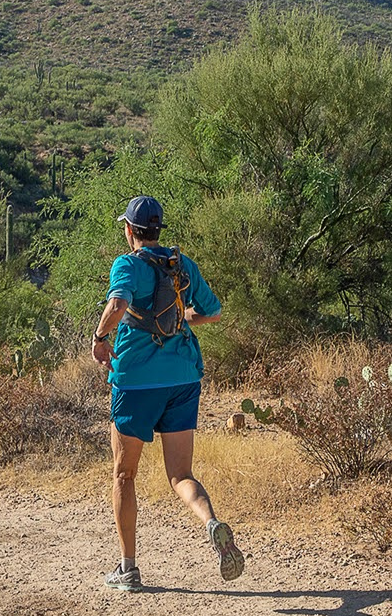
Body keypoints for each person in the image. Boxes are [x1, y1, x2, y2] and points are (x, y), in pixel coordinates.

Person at [91, 194, 244, 592]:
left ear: (129, 231)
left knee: (125, 474)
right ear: (158, 230)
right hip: (182, 378)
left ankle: (128, 568)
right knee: (180, 474)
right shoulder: (181, 264)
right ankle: (211, 523)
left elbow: (118, 303)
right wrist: (182, 318)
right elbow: (212, 310)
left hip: (137, 382)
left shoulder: (127, 264)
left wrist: (100, 337)